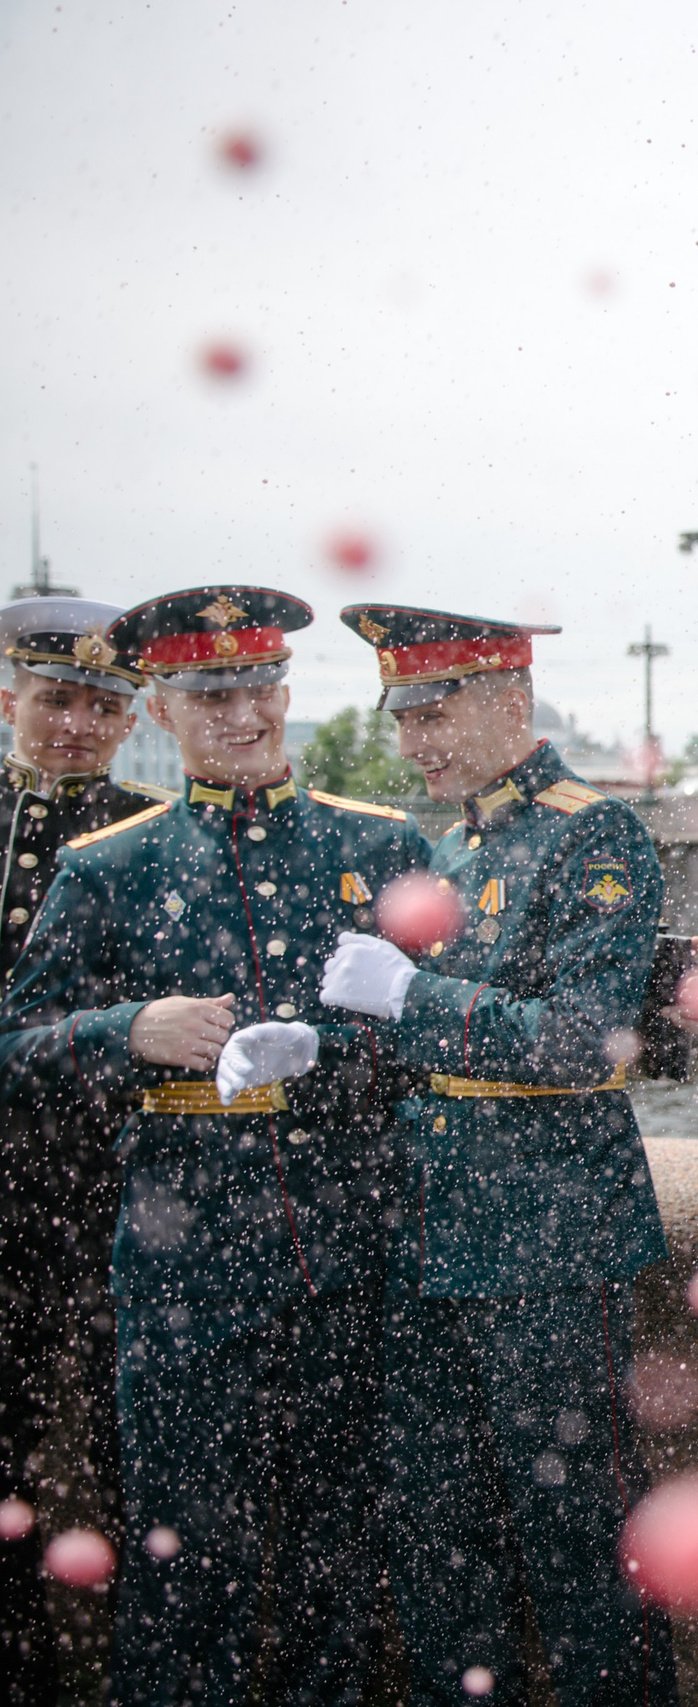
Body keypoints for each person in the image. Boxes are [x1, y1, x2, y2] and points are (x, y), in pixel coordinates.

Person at [0, 586, 431, 1705]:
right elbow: (15, 1050)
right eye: (209, 697)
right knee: (186, 1563)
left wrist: (328, 1058)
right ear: (162, 708)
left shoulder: (377, 845)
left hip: (347, 1257)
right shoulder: (107, 865)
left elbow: (433, 1039)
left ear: (287, 692)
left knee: (341, 1558)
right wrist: (124, 1033)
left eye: (256, 691)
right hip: (181, 1268)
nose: (242, 717)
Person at [320, 605, 674, 1707]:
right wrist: (327, 1045)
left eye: (438, 711)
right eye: (403, 716)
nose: (414, 740)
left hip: (550, 1242)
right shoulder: (443, 847)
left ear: (512, 702)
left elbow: (585, 1039)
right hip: (428, 1235)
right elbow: (414, 1041)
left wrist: (413, 995)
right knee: (436, 1543)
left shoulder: (591, 835)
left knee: (582, 1543)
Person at [0, 599, 157, 1701]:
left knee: (131, 1458)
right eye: (57, 699)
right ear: (10, 700)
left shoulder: (153, 838)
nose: (75, 725)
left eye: (102, 705)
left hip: (118, 1194)